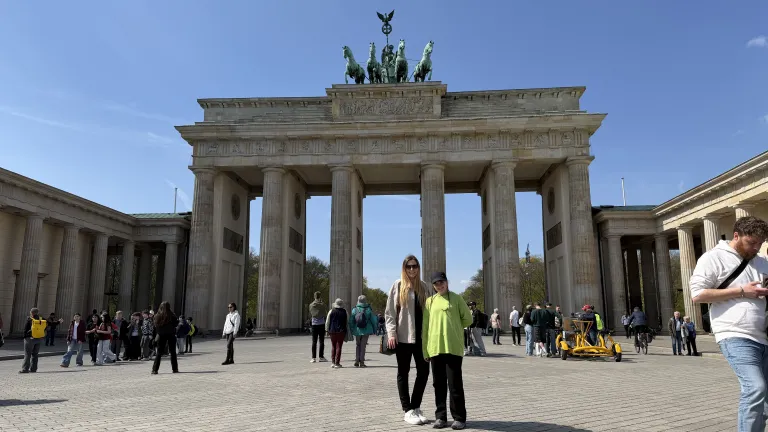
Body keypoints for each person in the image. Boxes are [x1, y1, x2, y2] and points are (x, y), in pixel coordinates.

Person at [689, 216, 768, 431]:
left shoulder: (761, 262)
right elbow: (697, 295)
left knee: (764, 399)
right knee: (755, 388)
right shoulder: (713, 258)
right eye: (752, 243)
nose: (756, 248)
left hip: (763, 335)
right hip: (735, 334)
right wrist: (742, 291)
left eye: (760, 243)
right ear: (736, 236)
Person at [385, 254, 433, 426]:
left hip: (422, 338)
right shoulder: (397, 285)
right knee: (403, 373)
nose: (412, 269)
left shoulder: (424, 286)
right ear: (404, 268)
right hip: (404, 336)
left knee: (424, 372)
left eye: (414, 266)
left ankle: (416, 406)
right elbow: (390, 312)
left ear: (418, 268)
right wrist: (391, 333)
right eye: (408, 266)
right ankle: (407, 410)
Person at [422, 271, 472, 430]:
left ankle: (459, 418)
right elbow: (425, 327)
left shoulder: (457, 298)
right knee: (438, 384)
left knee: (455, 384)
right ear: (433, 286)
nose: (439, 285)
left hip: (453, 347)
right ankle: (440, 417)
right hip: (435, 347)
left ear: (447, 282)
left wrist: (454, 327)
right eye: (436, 283)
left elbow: (468, 319)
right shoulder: (430, 301)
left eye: (441, 282)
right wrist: (425, 350)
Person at [349, 294, 377, 367]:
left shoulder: (355, 309)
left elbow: (351, 320)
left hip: (357, 330)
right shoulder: (368, 309)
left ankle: (356, 360)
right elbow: (373, 320)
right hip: (366, 330)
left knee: (357, 345)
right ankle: (362, 362)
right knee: (363, 346)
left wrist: (352, 329)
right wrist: (375, 329)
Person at [152, 301, 179, 374]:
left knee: (159, 353)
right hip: (171, 334)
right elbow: (176, 324)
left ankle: (155, 369)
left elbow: (155, 326)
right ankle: (175, 369)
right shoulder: (172, 315)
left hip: (161, 335)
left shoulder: (157, 316)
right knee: (173, 352)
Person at [20, 308, 47, 373]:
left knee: (27, 354)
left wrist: (24, 337)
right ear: (37, 312)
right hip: (39, 338)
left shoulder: (30, 319)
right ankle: (33, 369)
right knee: (35, 354)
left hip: (30, 338)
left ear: (31, 312)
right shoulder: (42, 319)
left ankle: (25, 369)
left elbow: (25, 329)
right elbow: (45, 327)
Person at [325, 298, 348, 368]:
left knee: (333, 346)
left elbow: (327, 321)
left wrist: (326, 330)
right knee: (339, 347)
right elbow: (347, 322)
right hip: (341, 331)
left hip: (332, 330)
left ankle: (333, 362)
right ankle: (337, 363)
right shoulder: (345, 311)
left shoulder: (331, 311)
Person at [308, 291, 328, 363]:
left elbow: (310, 313)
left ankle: (313, 358)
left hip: (314, 324)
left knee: (314, 341)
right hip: (321, 324)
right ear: (320, 296)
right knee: (321, 341)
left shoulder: (311, 305)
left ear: (314, 296)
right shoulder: (323, 305)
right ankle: (321, 357)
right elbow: (325, 312)